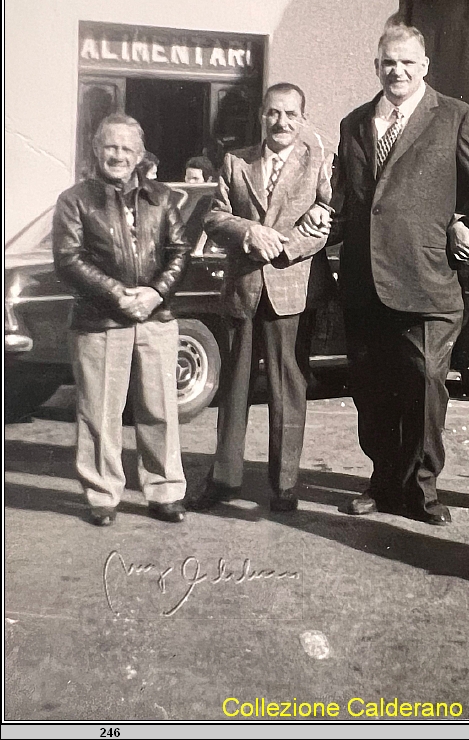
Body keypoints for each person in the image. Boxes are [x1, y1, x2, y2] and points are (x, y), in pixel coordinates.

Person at [301, 24, 469, 524]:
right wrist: (325, 218)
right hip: (366, 282)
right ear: (377, 66)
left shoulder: (457, 117)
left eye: (408, 62)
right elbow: (349, 202)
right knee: (372, 388)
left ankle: (423, 487)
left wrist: (465, 231)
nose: (398, 71)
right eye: (389, 62)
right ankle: (383, 480)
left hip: (429, 279)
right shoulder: (354, 123)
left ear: (425, 66)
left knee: (427, 380)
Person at [190, 83, 334, 513]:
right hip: (243, 290)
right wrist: (250, 232)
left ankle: (285, 484)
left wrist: (284, 245)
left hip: (291, 290)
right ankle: (224, 478)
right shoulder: (236, 163)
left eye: (291, 114)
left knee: (287, 388)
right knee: (233, 389)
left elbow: (327, 221)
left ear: (303, 119)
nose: (282, 122)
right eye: (273, 113)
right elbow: (214, 217)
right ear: (261, 117)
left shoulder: (316, 164)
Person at [53, 114, 190, 526]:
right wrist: (116, 295)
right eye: (110, 146)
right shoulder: (74, 200)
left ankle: (164, 491)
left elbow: (180, 251)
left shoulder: (162, 198)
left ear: (140, 156)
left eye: (126, 149)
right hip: (100, 322)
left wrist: (154, 292)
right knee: (99, 412)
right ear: (96, 149)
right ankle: (102, 495)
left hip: (156, 317)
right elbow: (67, 259)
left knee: (159, 409)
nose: (117, 155)